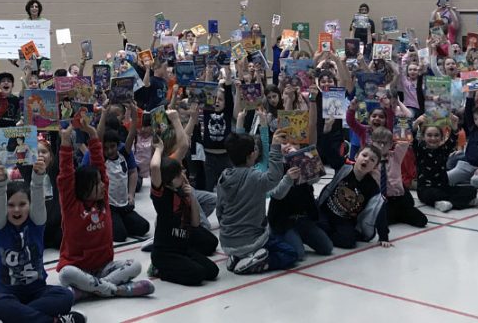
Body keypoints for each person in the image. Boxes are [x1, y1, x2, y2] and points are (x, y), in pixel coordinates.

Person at [56, 118, 154, 300]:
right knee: (65, 273)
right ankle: (116, 290)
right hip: (78, 268)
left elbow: (100, 166)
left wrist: (93, 134)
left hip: (103, 268)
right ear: (85, 188)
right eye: (98, 183)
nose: (103, 185)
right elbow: (66, 176)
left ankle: (89, 291)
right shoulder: (72, 206)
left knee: (135, 265)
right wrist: (65, 142)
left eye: (102, 182)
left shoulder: (102, 202)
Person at [0, 158, 84, 323]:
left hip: (37, 292)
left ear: (29, 206)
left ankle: (15, 318)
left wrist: (38, 177)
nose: (17, 209)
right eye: (11, 205)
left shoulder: (36, 222)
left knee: (65, 296)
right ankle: (52, 322)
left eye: (22, 204)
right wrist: (0, 184)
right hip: (7, 294)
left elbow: (37, 194)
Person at [216, 132, 299, 275]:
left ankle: (237, 257)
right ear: (252, 154)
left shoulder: (224, 177)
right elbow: (274, 176)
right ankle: (255, 262)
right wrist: (275, 147)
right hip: (251, 241)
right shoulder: (254, 178)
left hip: (226, 241)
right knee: (291, 253)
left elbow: (219, 210)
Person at [149, 141, 220, 286]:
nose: (183, 175)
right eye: (178, 174)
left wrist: (192, 197)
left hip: (182, 249)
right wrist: (159, 149)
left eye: (181, 171)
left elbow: (195, 223)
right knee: (197, 275)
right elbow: (155, 167)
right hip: (165, 253)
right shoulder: (162, 196)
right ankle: (159, 270)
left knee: (213, 271)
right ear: (168, 181)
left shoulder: (184, 194)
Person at [316, 146, 391, 249]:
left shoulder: (372, 187)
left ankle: (325, 234)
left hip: (345, 220)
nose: (367, 160)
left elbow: (379, 210)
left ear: (374, 167)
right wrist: (327, 133)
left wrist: (384, 236)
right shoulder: (343, 167)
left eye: (372, 160)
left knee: (349, 242)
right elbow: (330, 151)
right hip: (325, 211)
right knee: (318, 222)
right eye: (364, 155)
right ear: (356, 156)